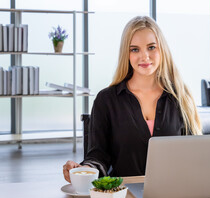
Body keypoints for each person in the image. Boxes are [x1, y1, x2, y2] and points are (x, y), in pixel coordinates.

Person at [63, 16, 202, 182]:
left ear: (162, 50)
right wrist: (84, 170)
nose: (144, 56)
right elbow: (98, 156)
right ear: (126, 54)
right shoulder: (106, 100)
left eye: (151, 47)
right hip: (124, 197)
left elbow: (194, 155)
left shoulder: (180, 96)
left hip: (175, 195)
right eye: (135, 49)